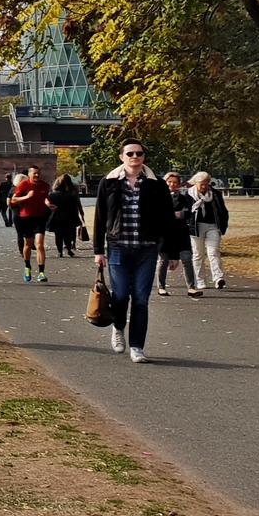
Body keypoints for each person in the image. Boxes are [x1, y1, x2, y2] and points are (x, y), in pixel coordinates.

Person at [93, 139, 177, 364]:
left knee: (141, 299)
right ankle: (118, 328)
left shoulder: (156, 184)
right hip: (118, 246)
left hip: (147, 249)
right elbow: (100, 218)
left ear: (144, 157)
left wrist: (172, 252)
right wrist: (98, 250)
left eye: (139, 153)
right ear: (122, 157)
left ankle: (137, 346)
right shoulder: (108, 183)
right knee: (120, 295)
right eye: (130, 153)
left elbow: (168, 219)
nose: (135, 157)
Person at [157, 171, 199, 297]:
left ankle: (191, 287)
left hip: (181, 233)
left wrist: (175, 214)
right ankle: (161, 287)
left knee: (186, 258)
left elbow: (189, 213)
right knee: (163, 260)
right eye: (169, 182)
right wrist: (174, 214)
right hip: (164, 233)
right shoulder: (158, 197)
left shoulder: (185, 198)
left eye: (175, 182)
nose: (172, 184)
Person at [189, 171, 230, 290]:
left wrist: (222, 227)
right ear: (195, 182)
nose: (204, 186)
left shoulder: (215, 194)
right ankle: (200, 280)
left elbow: (223, 211)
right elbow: (186, 211)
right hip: (196, 227)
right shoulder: (189, 195)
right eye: (201, 183)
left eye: (207, 183)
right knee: (198, 254)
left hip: (213, 226)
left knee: (214, 252)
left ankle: (218, 278)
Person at [11, 164, 52, 283]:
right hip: (26, 217)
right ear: (29, 174)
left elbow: (45, 197)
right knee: (28, 244)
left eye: (38, 173)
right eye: (34, 173)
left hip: (40, 217)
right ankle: (27, 266)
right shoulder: (23, 185)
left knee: (39, 244)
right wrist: (27, 197)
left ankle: (41, 272)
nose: (37, 175)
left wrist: (48, 203)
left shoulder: (45, 185)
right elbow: (14, 200)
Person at [47, 172, 84, 257]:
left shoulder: (52, 195)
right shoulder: (71, 195)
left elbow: (49, 207)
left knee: (58, 235)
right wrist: (80, 215)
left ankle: (60, 251)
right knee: (67, 234)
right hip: (69, 216)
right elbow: (76, 206)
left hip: (56, 217)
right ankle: (69, 248)